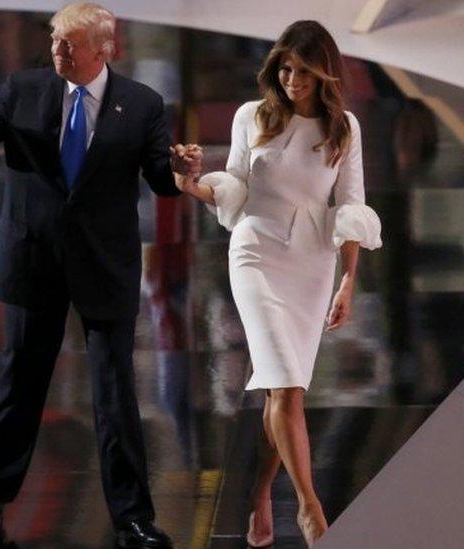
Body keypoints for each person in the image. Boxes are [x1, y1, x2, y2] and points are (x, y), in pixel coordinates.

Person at [0, 3, 198, 547]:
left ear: (104, 49)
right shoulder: (24, 89)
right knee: (21, 385)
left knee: (115, 394)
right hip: (33, 260)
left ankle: (133, 518)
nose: (58, 50)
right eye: (55, 39)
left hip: (103, 265)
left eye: (70, 43)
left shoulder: (141, 105)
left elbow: (160, 178)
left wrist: (180, 171)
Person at [172, 20, 382, 547]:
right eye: (284, 67)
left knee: (279, 388)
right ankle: (311, 510)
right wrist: (188, 183)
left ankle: (262, 493)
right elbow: (236, 188)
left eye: (302, 71)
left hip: (313, 263)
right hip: (254, 251)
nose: (291, 79)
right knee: (285, 383)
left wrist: (348, 282)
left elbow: (349, 204)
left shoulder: (344, 129)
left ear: (323, 73)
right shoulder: (252, 115)